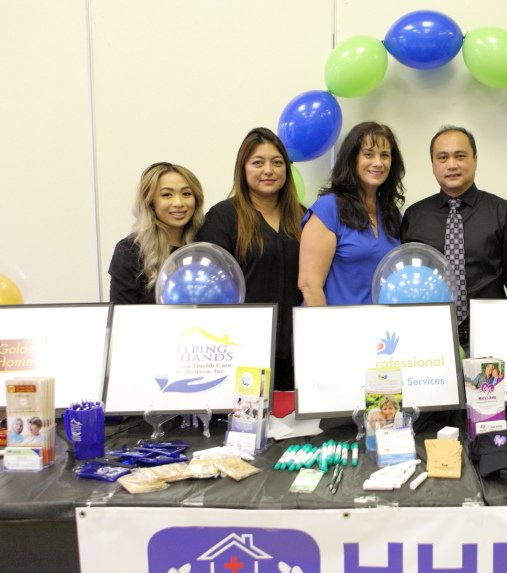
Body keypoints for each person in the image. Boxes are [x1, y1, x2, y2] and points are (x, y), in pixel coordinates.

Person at [400, 126, 507, 347]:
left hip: (492, 336)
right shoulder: (415, 216)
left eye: (460, 156)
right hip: (431, 338)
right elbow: (406, 283)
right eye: (442, 158)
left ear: (475, 160)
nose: (451, 165)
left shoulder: (503, 212)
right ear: (433, 164)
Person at [198, 128, 305, 390]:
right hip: (241, 351)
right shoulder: (224, 216)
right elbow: (209, 289)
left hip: (294, 350)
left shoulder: (303, 217)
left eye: (277, 162)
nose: (268, 170)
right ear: (243, 168)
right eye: (258, 162)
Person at [299, 122, 405, 307]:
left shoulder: (391, 215)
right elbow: (309, 287)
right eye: (368, 154)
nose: (378, 163)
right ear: (352, 159)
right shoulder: (328, 209)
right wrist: (325, 326)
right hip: (334, 323)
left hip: (380, 324)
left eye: (384, 155)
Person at [108, 162, 205, 304]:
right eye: (167, 195)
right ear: (150, 202)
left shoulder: (205, 245)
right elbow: (121, 312)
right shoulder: (130, 250)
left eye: (186, 194)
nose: (178, 203)